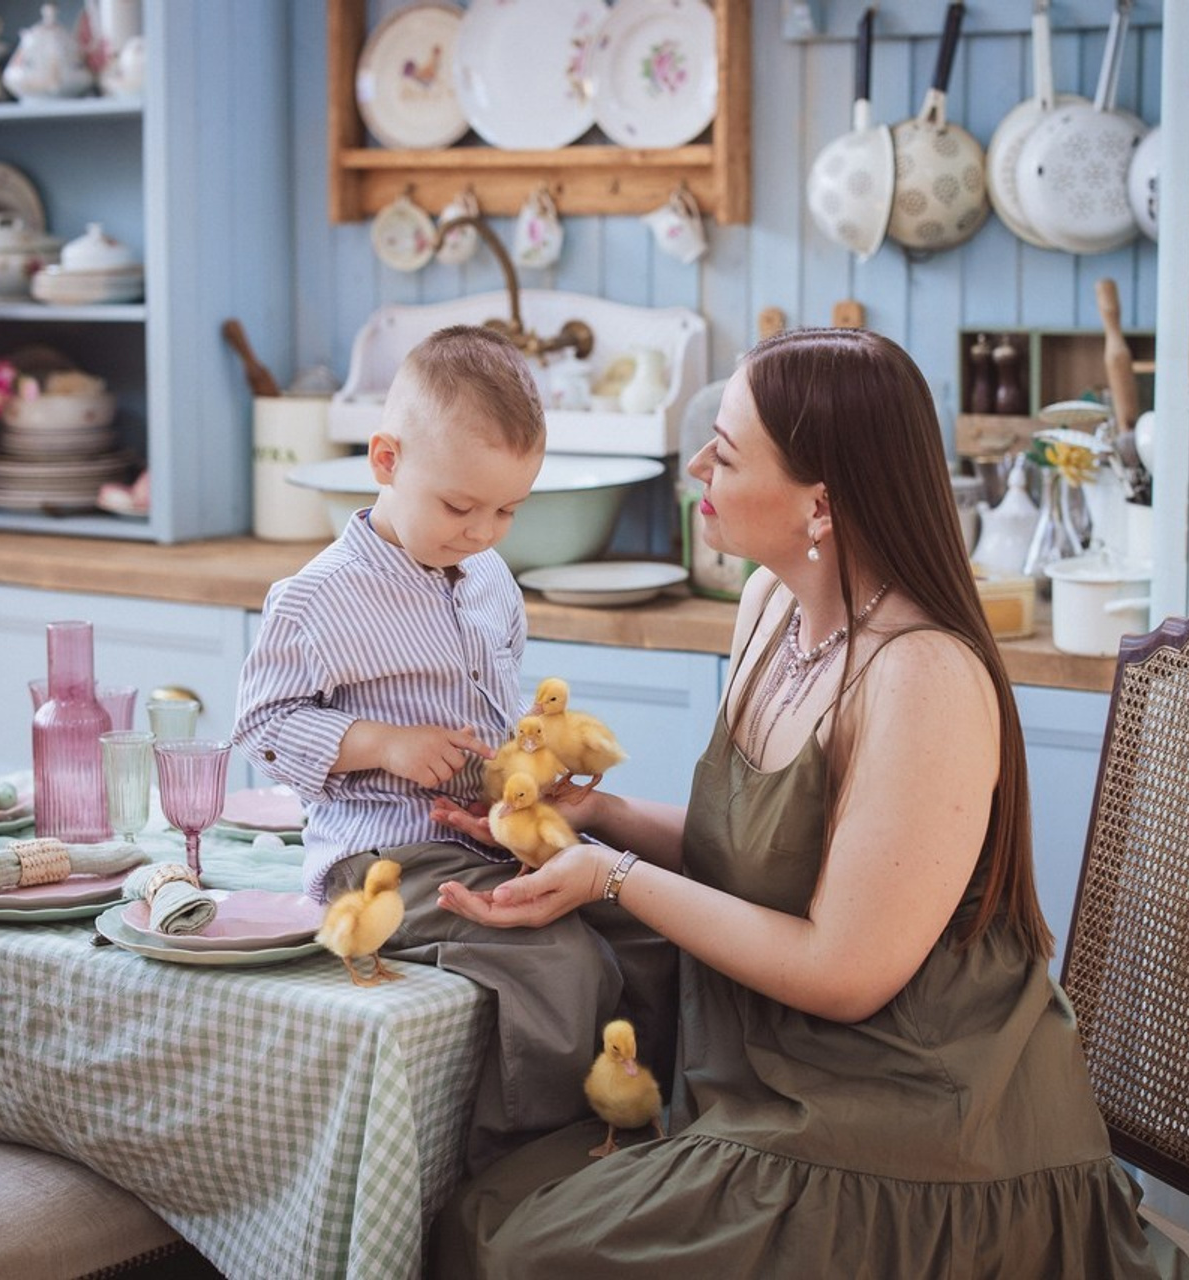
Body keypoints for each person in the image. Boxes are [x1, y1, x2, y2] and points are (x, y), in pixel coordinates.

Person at [426, 328, 1187, 1278]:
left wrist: (612, 879)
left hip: (915, 1134)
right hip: (764, 1079)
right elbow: (764, 856)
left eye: (728, 451)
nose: (698, 461)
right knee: (485, 1197)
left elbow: (843, 970)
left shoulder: (923, 678)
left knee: (521, 1252)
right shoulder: (770, 607)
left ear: (819, 505)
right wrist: (609, 819)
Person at [233, 324, 675, 1174]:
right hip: (382, 857)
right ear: (387, 461)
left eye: (508, 510)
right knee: (561, 959)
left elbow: (496, 711)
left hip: (479, 838)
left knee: (652, 925)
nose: (482, 532)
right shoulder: (317, 599)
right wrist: (378, 744)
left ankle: (648, 1133)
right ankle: (529, 1167)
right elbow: (260, 731)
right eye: (460, 507)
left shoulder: (490, 580)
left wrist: (520, 775)